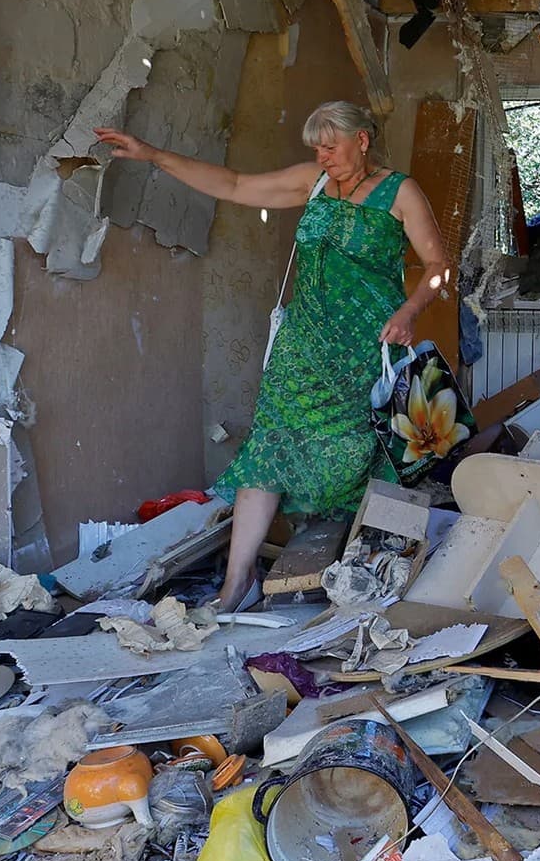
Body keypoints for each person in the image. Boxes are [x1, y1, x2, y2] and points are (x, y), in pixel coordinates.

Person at [93, 102, 453, 611]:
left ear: (363, 140)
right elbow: (236, 185)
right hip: (302, 347)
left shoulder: (401, 192)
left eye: (331, 145)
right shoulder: (312, 182)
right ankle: (236, 584)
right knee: (268, 450)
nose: (322, 155)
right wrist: (153, 155)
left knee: (364, 452)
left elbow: (438, 265)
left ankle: (369, 574)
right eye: (316, 148)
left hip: (364, 349)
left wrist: (410, 310)